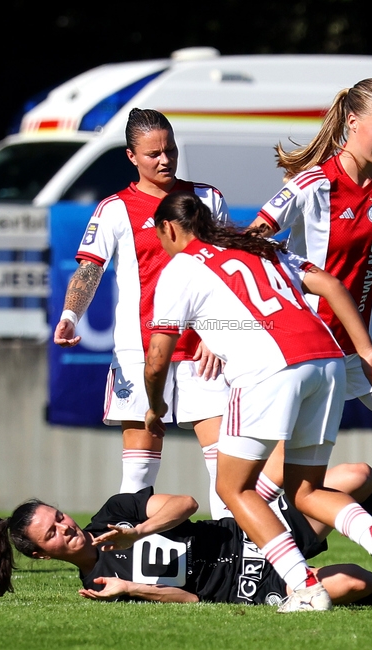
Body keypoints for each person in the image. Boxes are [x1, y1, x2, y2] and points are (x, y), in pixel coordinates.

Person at [141, 191, 372, 613]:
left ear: (170, 229)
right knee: (305, 491)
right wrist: (365, 349)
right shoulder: (255, 247)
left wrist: (155, 407)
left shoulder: (180, 267)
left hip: (270, 370)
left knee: (233, 487)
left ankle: (305, 587)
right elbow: (331, 284)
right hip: (326, 361)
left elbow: (158, 359)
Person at [248, 78, 372, 530]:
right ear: (352, 122)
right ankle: (242, 547)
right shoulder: (311, 185)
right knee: (282, 470)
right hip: (314, 350)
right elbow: (251, 241)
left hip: (371, 349)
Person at [53, 108, 231, 517]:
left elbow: (229, 270)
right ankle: (126, 562)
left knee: (225, 465)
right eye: (153, 154)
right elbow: (89, 268)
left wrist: (217, 335)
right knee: (138, 476)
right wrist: (70, 315)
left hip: (203, 351)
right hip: (140, 353)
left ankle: (234, 563)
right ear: (132, 157)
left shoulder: (207, 199)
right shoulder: (114, 209)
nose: (165, 159)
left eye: (170, 149)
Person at [0, 462, 372, 608]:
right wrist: (131, 588)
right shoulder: (98, 587)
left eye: (59, 516)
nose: (67, 527)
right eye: (54, 533)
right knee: (356, 581)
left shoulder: (113, 513)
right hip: (248, 586)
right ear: (43, 556)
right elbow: (192, 602)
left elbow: (186, 505)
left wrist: (134, 530)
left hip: (248, 534)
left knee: (358, 475)